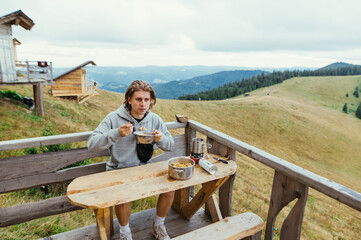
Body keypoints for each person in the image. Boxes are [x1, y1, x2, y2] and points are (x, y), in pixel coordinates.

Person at [87, 80, 175, 240]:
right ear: (129, 99)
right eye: (138, 99)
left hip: (145, 169)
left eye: (147, 100)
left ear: (151, 101)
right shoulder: (114, 118)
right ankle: (125, 234)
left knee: (170, 189)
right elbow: (92, 143)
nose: (143, 104)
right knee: (123, 196)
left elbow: (171, 145)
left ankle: (158, 226)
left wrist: (160, 138)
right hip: (120, 171)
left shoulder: (155, 120)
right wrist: (116, 133)